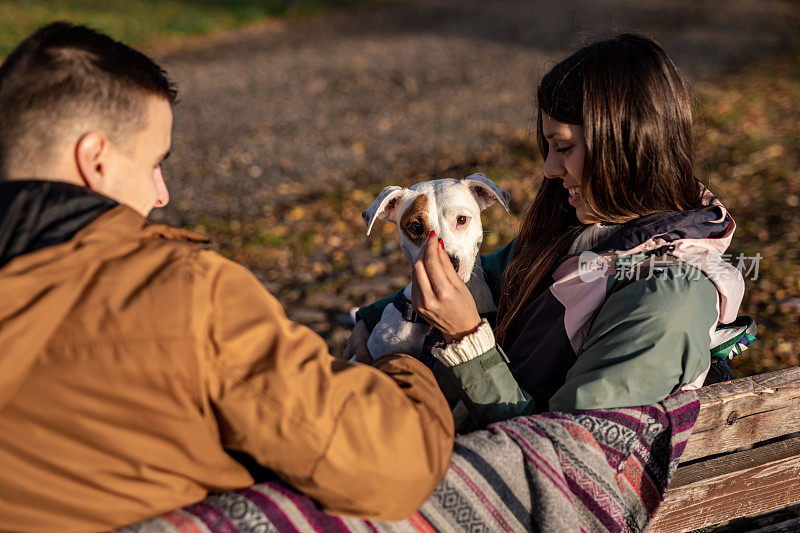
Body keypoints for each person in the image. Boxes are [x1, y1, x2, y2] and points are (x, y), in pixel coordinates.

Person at [0, 23, 454, 531]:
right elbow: (390, 463)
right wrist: (404, 368)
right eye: (154, 163)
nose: (160, 194)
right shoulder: (181, 294)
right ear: (95, 160)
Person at [347, 33, 747, 428]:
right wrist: (375, 316)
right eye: (548, 147)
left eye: (564, 147)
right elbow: (488, 270)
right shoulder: (584, 232)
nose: (549, 170)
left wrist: (467, 340)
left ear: (625, 146)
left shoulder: (667, 301)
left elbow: (566, 450)